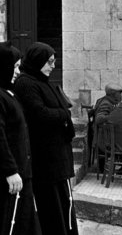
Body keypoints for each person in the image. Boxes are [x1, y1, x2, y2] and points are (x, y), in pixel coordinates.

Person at [14, 42, 78, 235]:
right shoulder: (26, 83)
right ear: (37, 60)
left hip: (57, 156)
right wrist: (64, 115)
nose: (53, 66)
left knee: (63, 203)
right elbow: (39, 114)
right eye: (49, 61)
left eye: (53, 61)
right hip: (46, 158)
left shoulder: (42, 81)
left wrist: (62, 116)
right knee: (51, 205)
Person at [0, 42, 42, 235]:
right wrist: (10, 170)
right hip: (12, 177)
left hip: (22, 173)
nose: (18, 71)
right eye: (15, 66)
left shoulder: (9, 93)